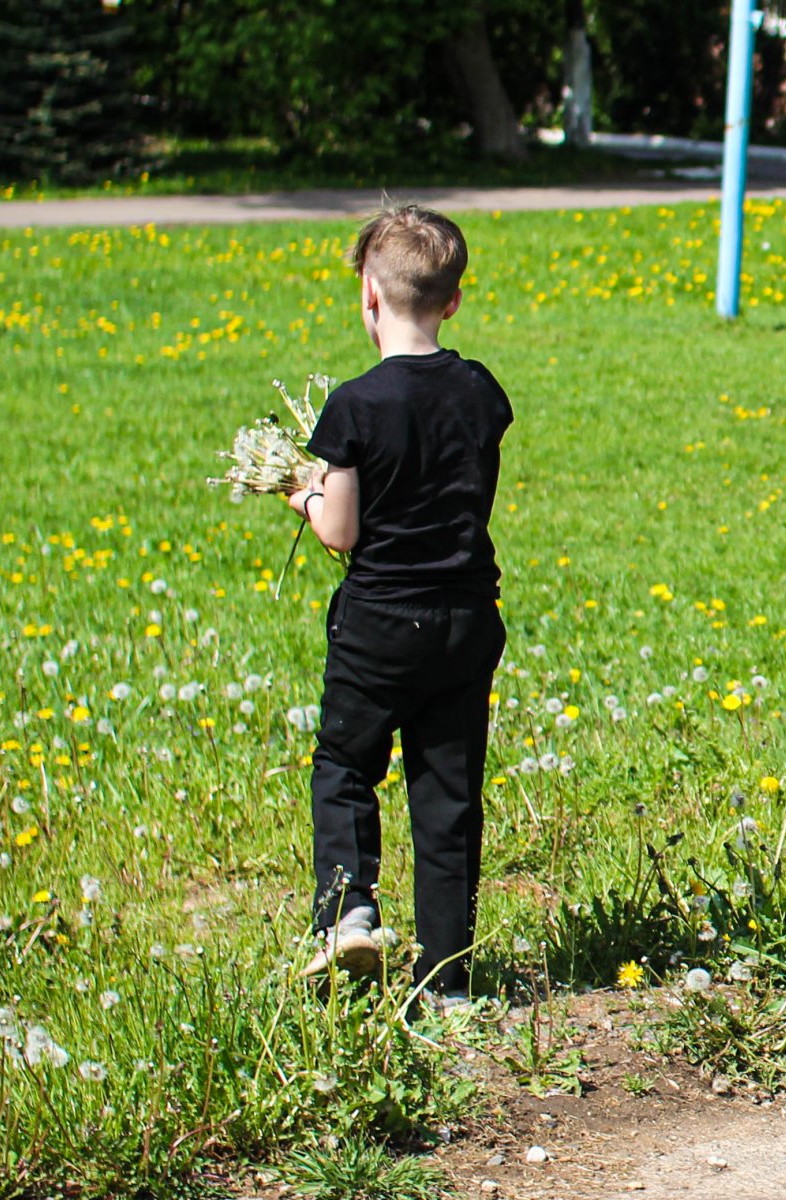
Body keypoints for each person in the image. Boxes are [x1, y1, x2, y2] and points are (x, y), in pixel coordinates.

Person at [285, 203, 511, 998]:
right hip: (465, 622)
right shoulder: (482, 392)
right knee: (448, 796)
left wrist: (304, 493)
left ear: (368, 300)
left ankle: (349, 915)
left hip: (379, 623)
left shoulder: (353, 406)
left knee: (346, 765)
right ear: (452, 301)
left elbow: (341, 532)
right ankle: (448, 982)